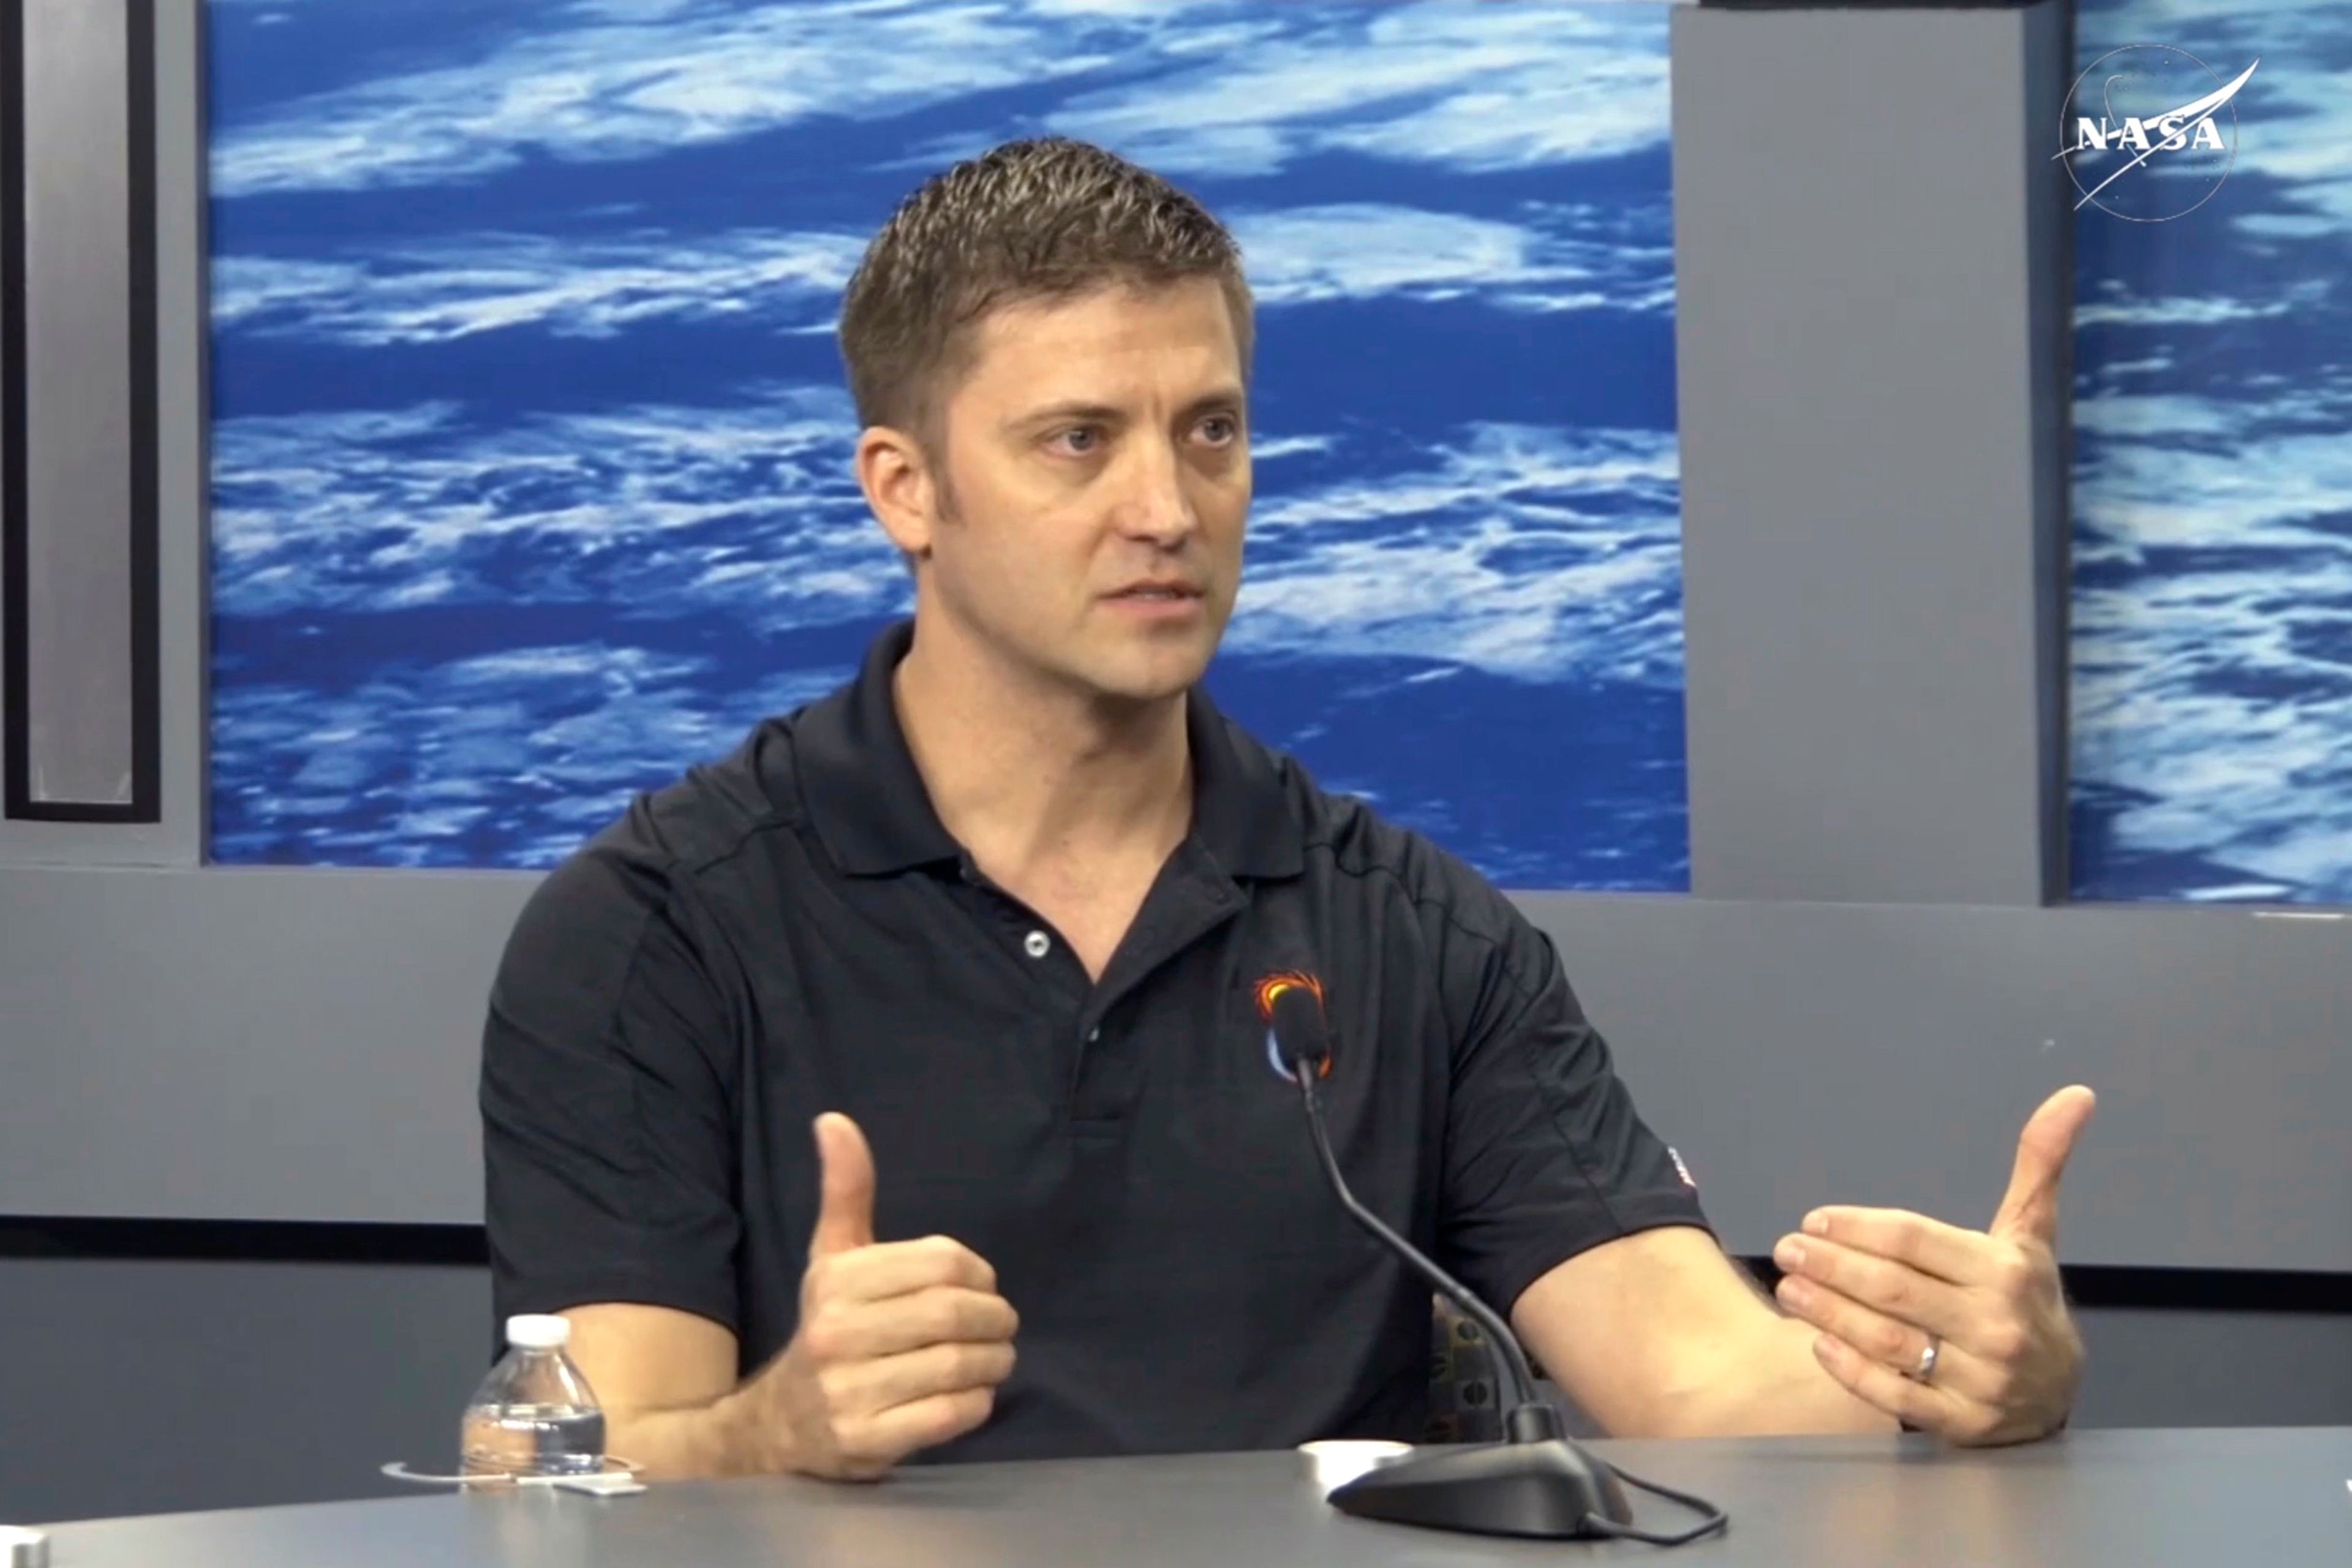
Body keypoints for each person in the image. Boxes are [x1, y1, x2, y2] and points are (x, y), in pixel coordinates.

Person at [479, 137, 2092, 1483]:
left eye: (1212, 432)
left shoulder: (1414, 934)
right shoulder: (655, 935)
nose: (1167, 510)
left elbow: (1708, 1385)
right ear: (907, 489)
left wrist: (1957, 1382)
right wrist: (778, 1428)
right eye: (1078, 443)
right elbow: (569, 1475)